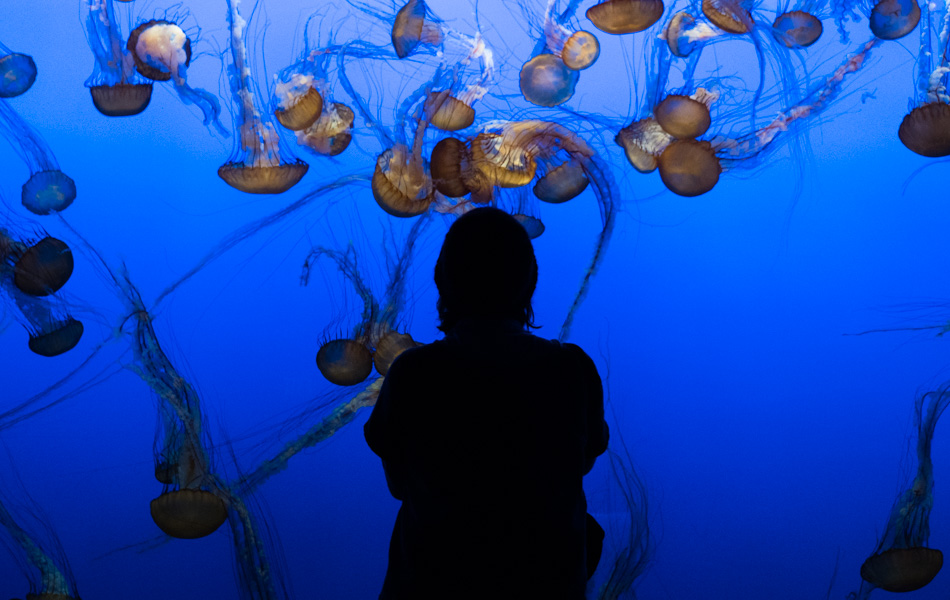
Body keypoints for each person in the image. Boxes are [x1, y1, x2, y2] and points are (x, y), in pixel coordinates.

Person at [364, 207, 609, 599]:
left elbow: (399, 484)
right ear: (529, 283)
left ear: (443, 281)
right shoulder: (570, 371)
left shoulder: (414, 374)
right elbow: (581, 461)